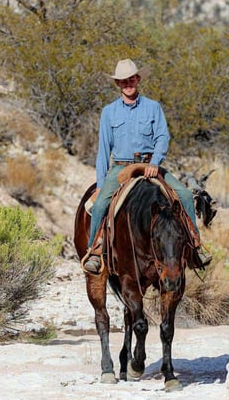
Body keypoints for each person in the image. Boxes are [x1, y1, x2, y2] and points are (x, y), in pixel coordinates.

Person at [82, 58, 212, 274]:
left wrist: (154, 162)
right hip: (121, 168)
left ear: (138, 79)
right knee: (100, 204)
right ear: (117, 84)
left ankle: (195, 247)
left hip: (150, 165)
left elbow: (163, 137)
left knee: (185, 196)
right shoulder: (109, 112)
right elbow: (104, 149)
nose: (128, 83)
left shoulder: (153, 107)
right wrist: (101, 183)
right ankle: (95, 251)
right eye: (123, 81)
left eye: (131, 79)